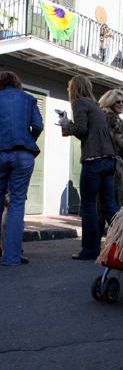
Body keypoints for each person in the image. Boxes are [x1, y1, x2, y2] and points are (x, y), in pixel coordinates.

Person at [59, 75, 120, 260]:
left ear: (74, 89)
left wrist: (66, 124)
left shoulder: (79, 104)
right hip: (109, 159)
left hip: (93, 160)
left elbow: (81, 130)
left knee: (88, 205)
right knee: (109, 205)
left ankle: (90, 249)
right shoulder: (96, 107)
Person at [0, 71, 43, 266]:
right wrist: (28, 140)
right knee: (17, 204)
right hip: (23, 154)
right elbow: (38, 126)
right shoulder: (28, 98)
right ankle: (11, 257)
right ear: (17, 83)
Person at [99, 88, 123, 210]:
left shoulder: (101, 117)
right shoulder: (114, 119)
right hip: (116, 168)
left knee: (102, 206)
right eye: (117, 101)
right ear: (110, 102)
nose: (121, 104)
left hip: (102, 164)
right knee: (116, 209)